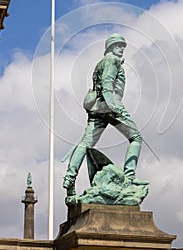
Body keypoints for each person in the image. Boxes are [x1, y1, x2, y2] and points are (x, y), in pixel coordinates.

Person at [63, 33, 147, 196]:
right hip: (109, 106)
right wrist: (113, 106)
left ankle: (69, 177)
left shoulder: (100, 63)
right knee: (136, 138)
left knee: (86, 143)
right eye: (118, 46)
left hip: (96, 107)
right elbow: (107, 83)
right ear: (110, 47)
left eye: (123, 46)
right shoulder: (112, 61)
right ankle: (129, 178)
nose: (121, 49)